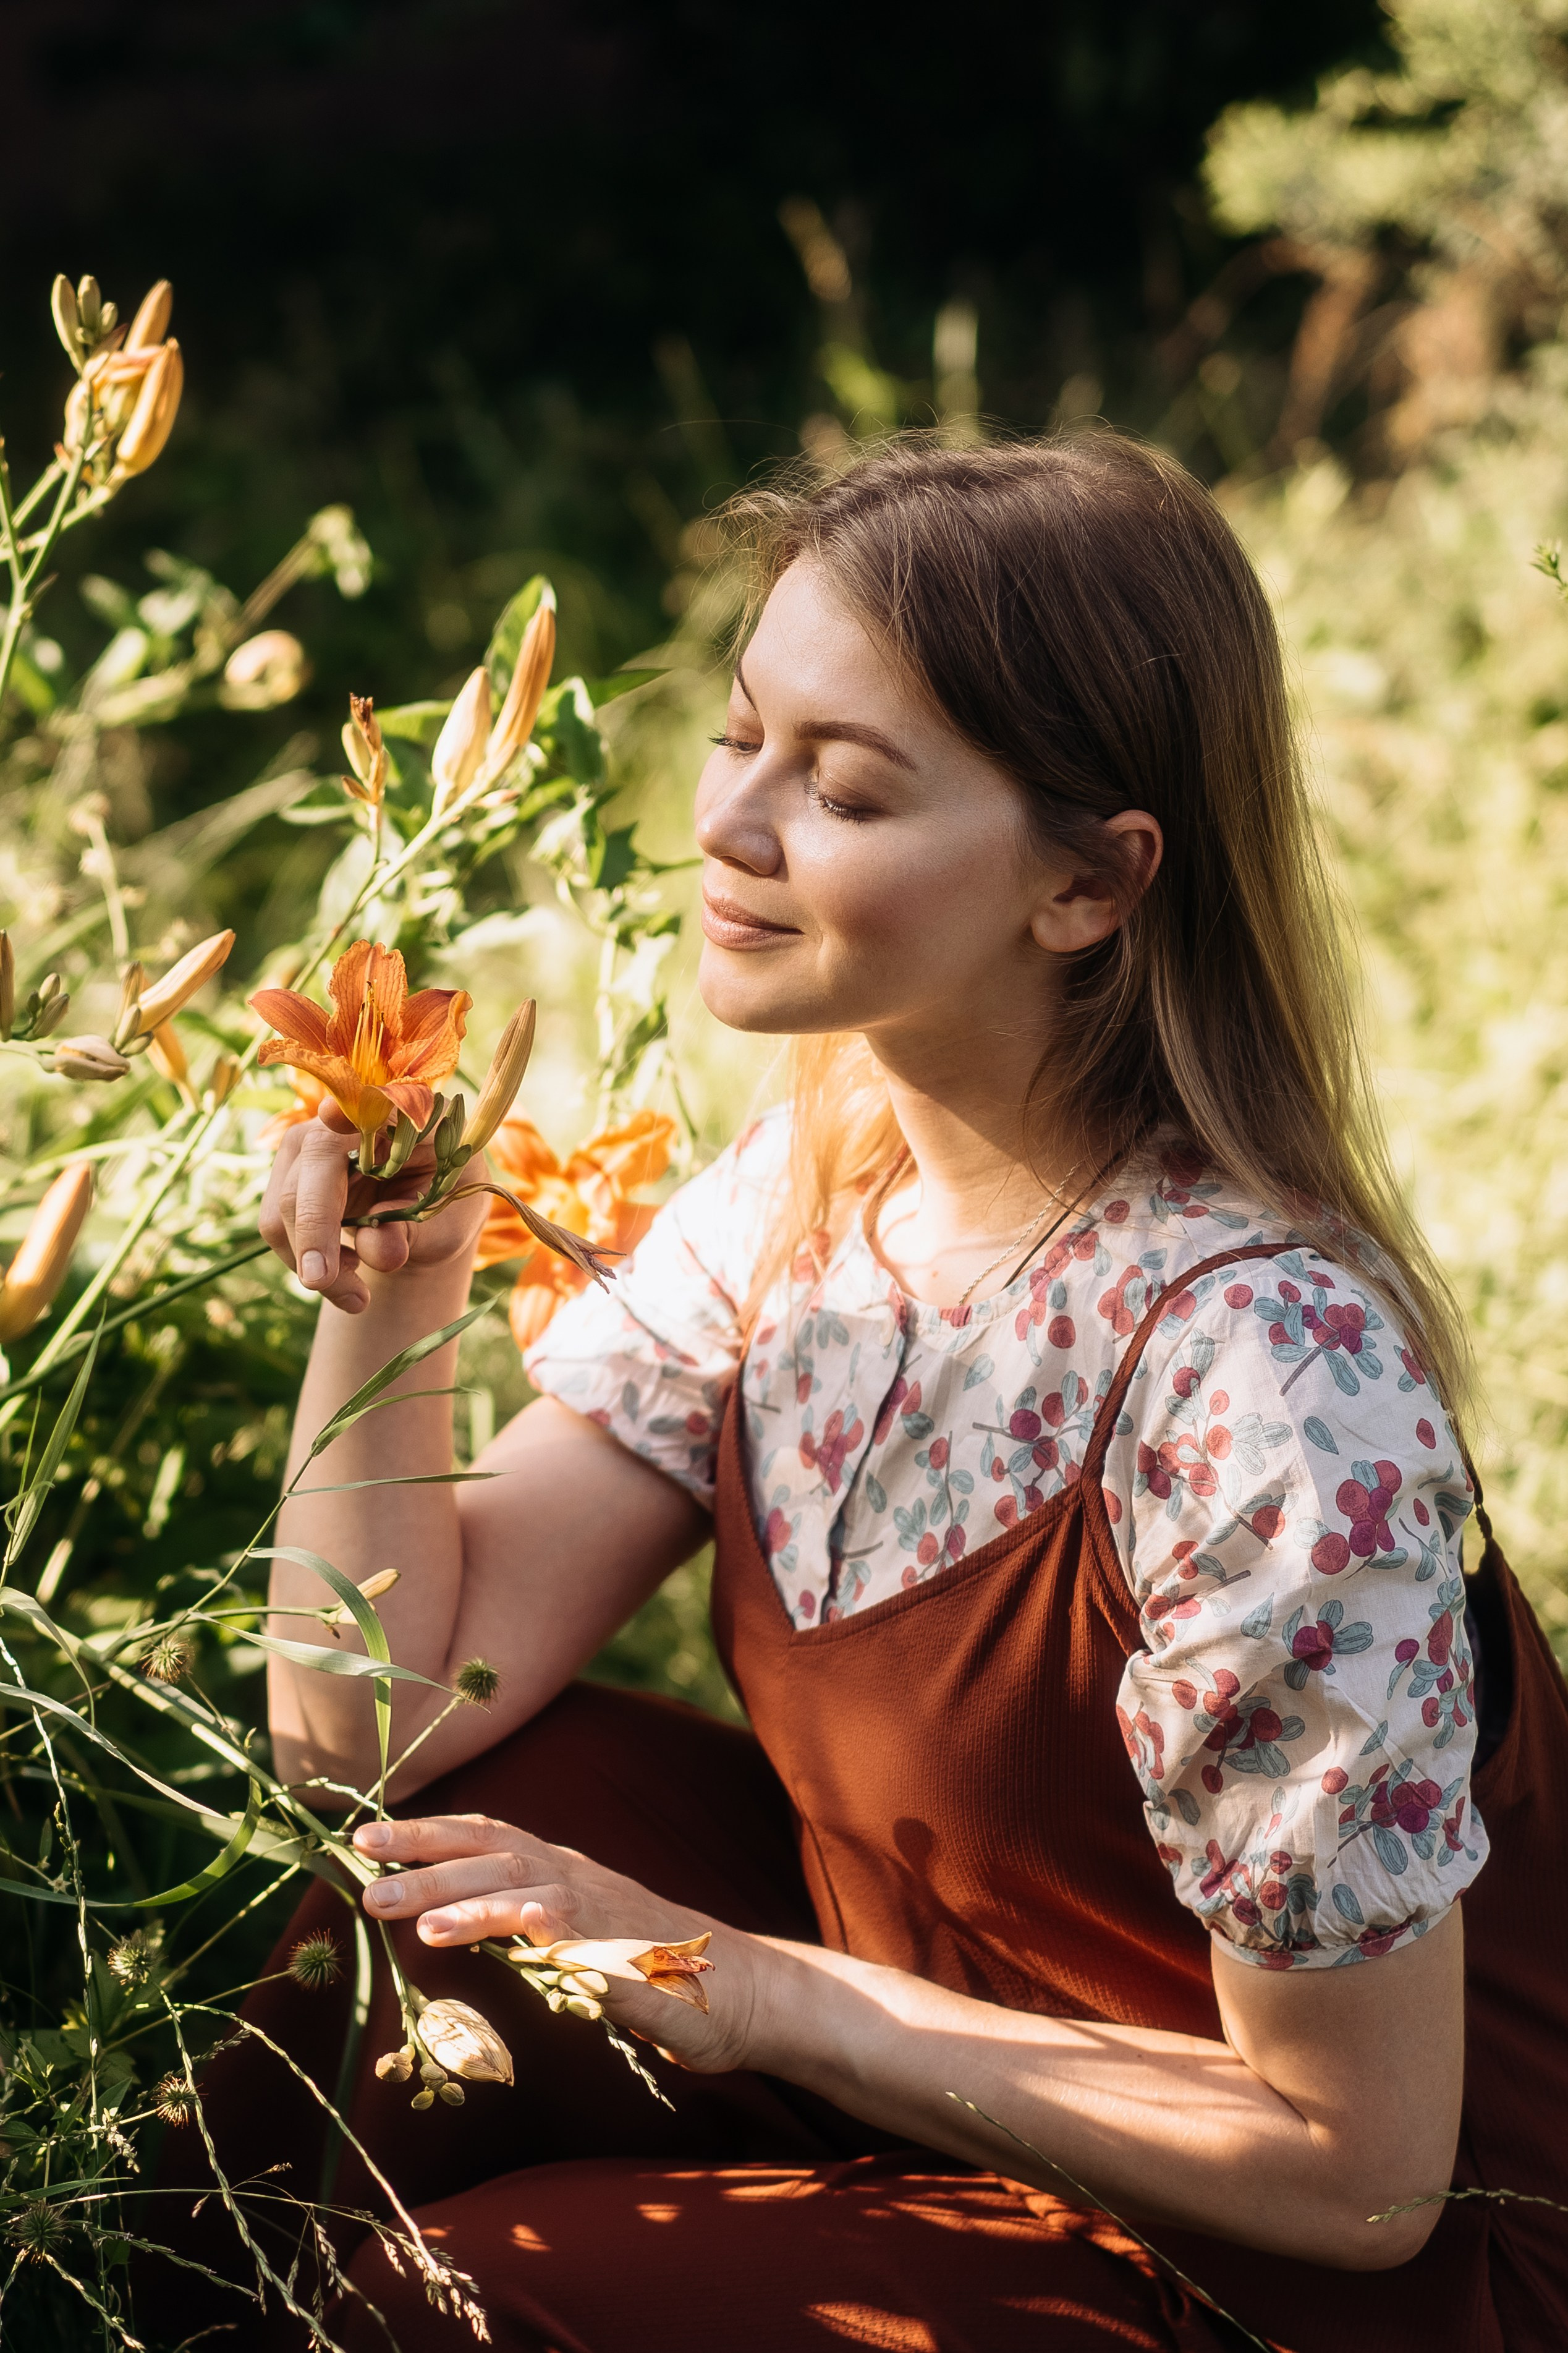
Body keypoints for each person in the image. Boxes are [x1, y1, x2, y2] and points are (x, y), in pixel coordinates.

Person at [175, 435, 1568, 2352]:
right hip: (942, 2040)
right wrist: (396, 1300)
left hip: (1305, 2257)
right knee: (433, 1898)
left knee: (493, 2299)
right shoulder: (812, 1197)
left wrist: (762, 1994)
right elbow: (373, 1724)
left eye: (840, 787)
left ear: (1087, 884)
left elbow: (1363, 2178)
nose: (733, 824)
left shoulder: (1265, 1390)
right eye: (741, 735)